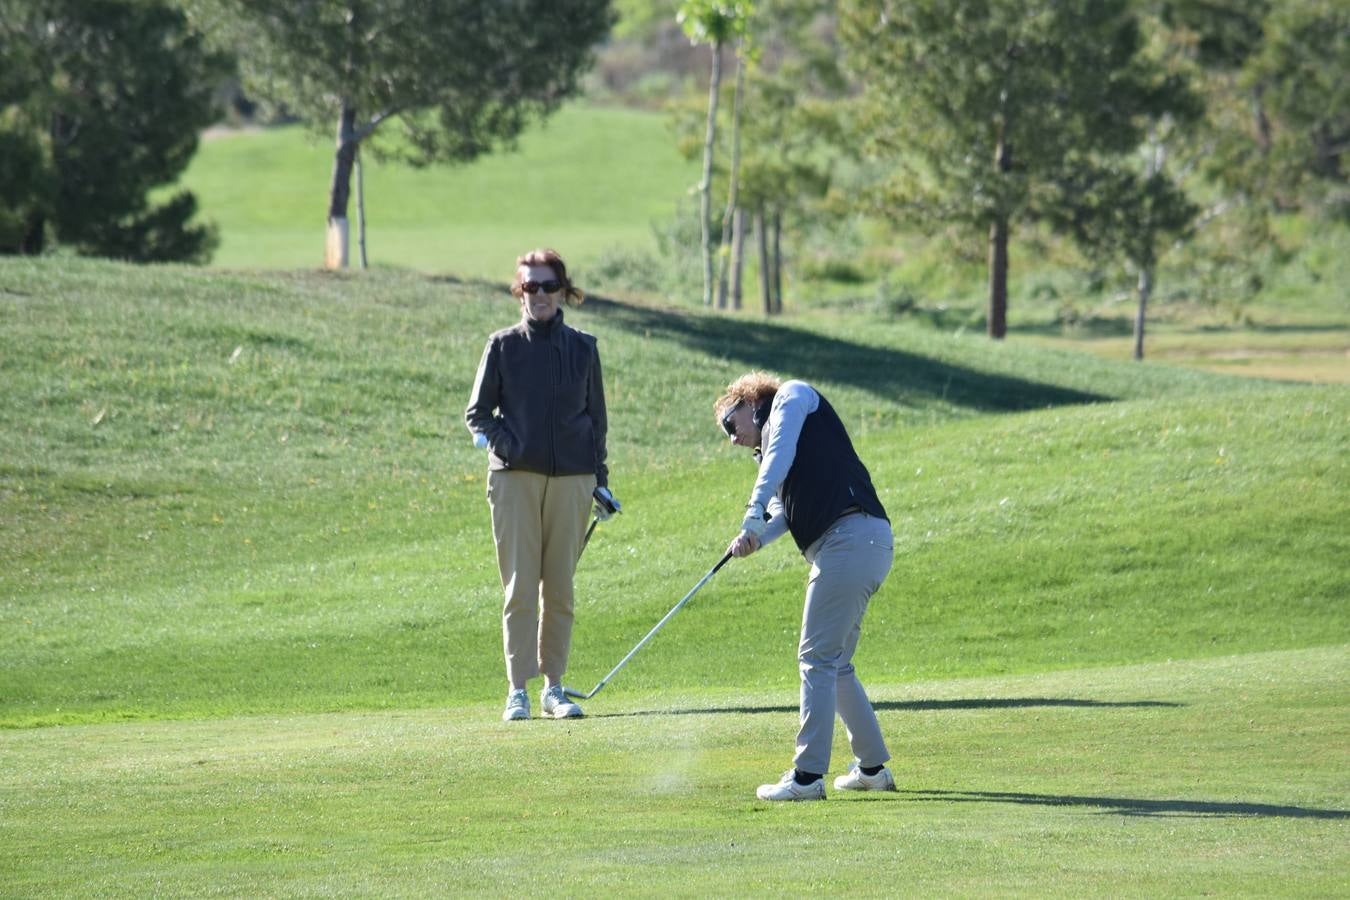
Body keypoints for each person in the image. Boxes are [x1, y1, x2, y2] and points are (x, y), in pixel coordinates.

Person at [715, 372, 896, 801]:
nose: (733, 438)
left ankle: (806, 776)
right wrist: (756, 537)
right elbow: (783, 510)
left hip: (849, 539)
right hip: (861, 544)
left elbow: (780, 453)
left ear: (748, 401)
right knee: (836, 664)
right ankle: (872, 769)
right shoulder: (769, 453)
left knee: (815, 658)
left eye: (730, 424)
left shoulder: (792, 398)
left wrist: (750, 511)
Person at [466, 248, 618, 722]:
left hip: (574, 479)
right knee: (519, 588)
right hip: (514, 479)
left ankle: (554, 688)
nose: (540, 295)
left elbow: (596, 422)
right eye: (531, 286)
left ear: (563, 290)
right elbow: (478, 414)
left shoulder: (583, 348)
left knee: (560, 589)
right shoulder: (502, 346)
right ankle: (518, 690)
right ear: (519, 292)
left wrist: (601, 483)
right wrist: (511, 448)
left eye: (549, 285)